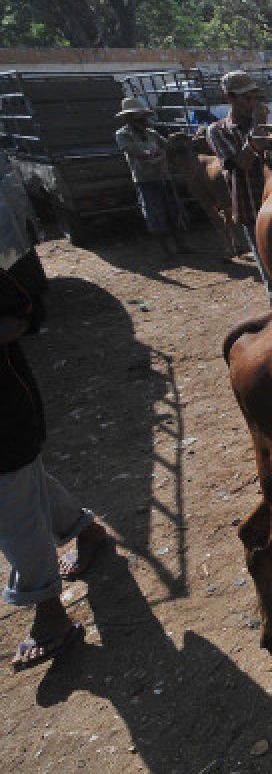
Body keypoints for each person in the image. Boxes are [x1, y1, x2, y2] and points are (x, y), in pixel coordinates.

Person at [1, 223, 110, 671]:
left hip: (4, 415)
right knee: (25, 487)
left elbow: (24, 314)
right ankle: (85, 530)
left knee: (13, 510)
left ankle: (48, 613)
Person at [207, 71, 272, 309]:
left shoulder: (266, 127)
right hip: (253, 212)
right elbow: (242, 163)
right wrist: (259, 128)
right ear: (229, 98)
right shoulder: (218, 131)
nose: (252, 104)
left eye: (254, 97)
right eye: (246, 99)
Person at [114, 97, 189, 257]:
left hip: (163, 177)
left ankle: (180, 246)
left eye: (142, 116)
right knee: (156, 215)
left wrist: (175, 144)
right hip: (145, 180)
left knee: (174, 211)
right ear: (128, 118)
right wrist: (159, 155)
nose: (142, 119)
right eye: (138, 116)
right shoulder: (123, 135)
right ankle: (166, 250)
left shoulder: (152, 133)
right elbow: (139, 154)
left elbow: (167, 147)